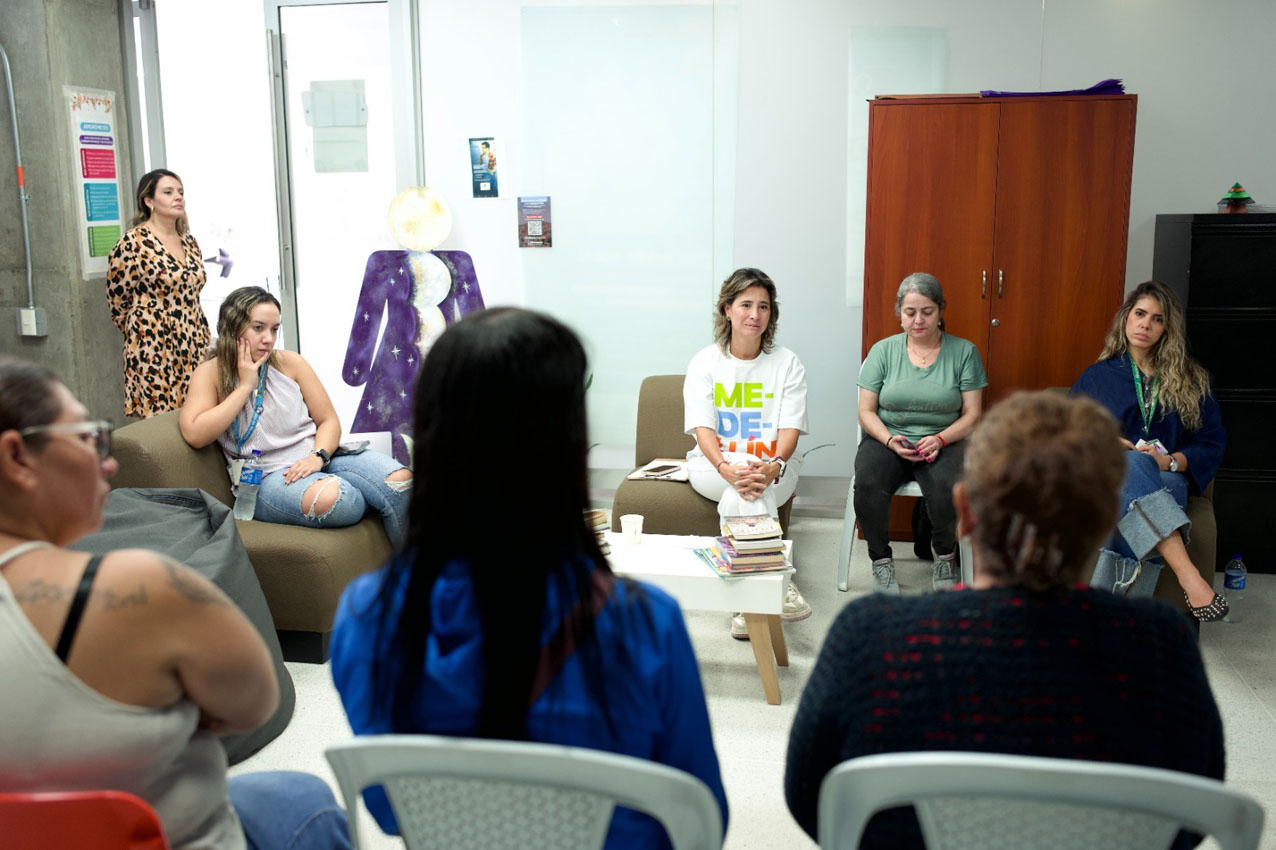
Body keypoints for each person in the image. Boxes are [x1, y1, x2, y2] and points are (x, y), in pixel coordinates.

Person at [330, 308, 728, 849]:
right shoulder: (645, 623)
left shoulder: (368, 615)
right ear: (565, 444)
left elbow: (390, 808)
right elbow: (702, 823)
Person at [785, 391, 1224, 850]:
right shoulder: (1161, 645)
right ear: (1103, 525)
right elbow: (1193, 815)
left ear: (965, 512)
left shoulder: (870, 637)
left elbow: (810, 799)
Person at [0, 356, 351, 850]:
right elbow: (256, 702)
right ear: (17, 457)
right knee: (304, 800)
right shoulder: (140, 586)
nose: (109, 463)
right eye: (87, 437)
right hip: (164, 835)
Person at [179, 286, 411, 546]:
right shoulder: (210, 372)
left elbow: (328, 421)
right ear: (232, 327)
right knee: (339, 499)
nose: (268, 339)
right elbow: (194, 434)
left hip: (319, 457)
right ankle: (374, 503)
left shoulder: (291, 362)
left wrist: (317, 457)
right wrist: (244, 387)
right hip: (267, 477)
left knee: (401, 482)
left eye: (274, 329)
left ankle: (417, 570)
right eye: (258, 328)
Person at [1071, 281, 1227, 621]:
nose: (1146, 325)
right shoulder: (1097, 377)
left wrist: (1168, 461)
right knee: (1130, 464)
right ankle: (1188, 575)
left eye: (1157, 319)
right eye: (1140, 314)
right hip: (1106, 478)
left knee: (1145, 481)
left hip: (1167, 477)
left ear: (1167, 329)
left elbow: (1211, 442)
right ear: (1126, 318)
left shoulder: (1191, 379)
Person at [683, 267, 811, 638]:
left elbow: (790, 429)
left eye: (764, 307)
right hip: (712, 467)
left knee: (744, 493)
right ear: (727, 309)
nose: (755, 314)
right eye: (745, 305)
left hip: (775, 468)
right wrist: (725, 466)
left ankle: (744, 605)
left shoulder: (787, 363)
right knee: (744, 483)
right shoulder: (705, 362)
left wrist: (774, 465)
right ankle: (780, 581)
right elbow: (703, 429)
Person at [855, 272, 986, 593]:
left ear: (940, 311)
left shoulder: (964, 352)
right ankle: (881, 561)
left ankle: (944, 554)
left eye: (927, 311)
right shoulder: (883, 351)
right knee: (868, 482)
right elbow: (866, 411)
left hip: (946, 439)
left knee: (949, 488)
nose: (918, 320)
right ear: (899, 313)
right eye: (910, 312)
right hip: (888, 437)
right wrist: (889, 440)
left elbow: (973, 414)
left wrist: (941, 439)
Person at [107, 169, 211, 418]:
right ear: (149, 200)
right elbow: (118, 301)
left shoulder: (189, 242)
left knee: (199, 412)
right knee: (162, 420)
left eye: (180, 192)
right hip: (153, 343)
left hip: (193, 338)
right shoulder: (132, 243)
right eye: (168, 192)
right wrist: (145, 325)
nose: (178, 197)